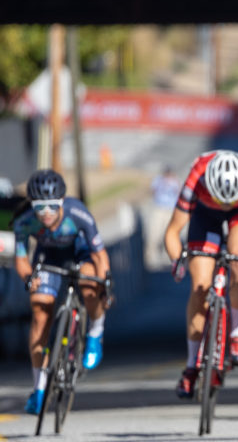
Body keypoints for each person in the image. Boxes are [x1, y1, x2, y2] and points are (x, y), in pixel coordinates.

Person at [164, 150, 238, 398]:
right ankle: (191, 365)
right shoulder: (197, 176)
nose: (225, 205)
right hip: (205, 215)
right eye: (221, 200)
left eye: (228, 200)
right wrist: (178, 262)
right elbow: (172, 232)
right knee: (200, 286)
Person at [13, 169, 112, 415]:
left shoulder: (78, 213)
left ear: (62, 202)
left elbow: (99, 255)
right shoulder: (24, 221)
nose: (46, 213)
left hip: (80, 254)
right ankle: (39, 389)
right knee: (40, 314)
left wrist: (104, 282)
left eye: (52, 206)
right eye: (39, 207)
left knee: (91, 287)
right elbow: (21, 259)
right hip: (48, 259)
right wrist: (29, 279)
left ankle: (95, 333)